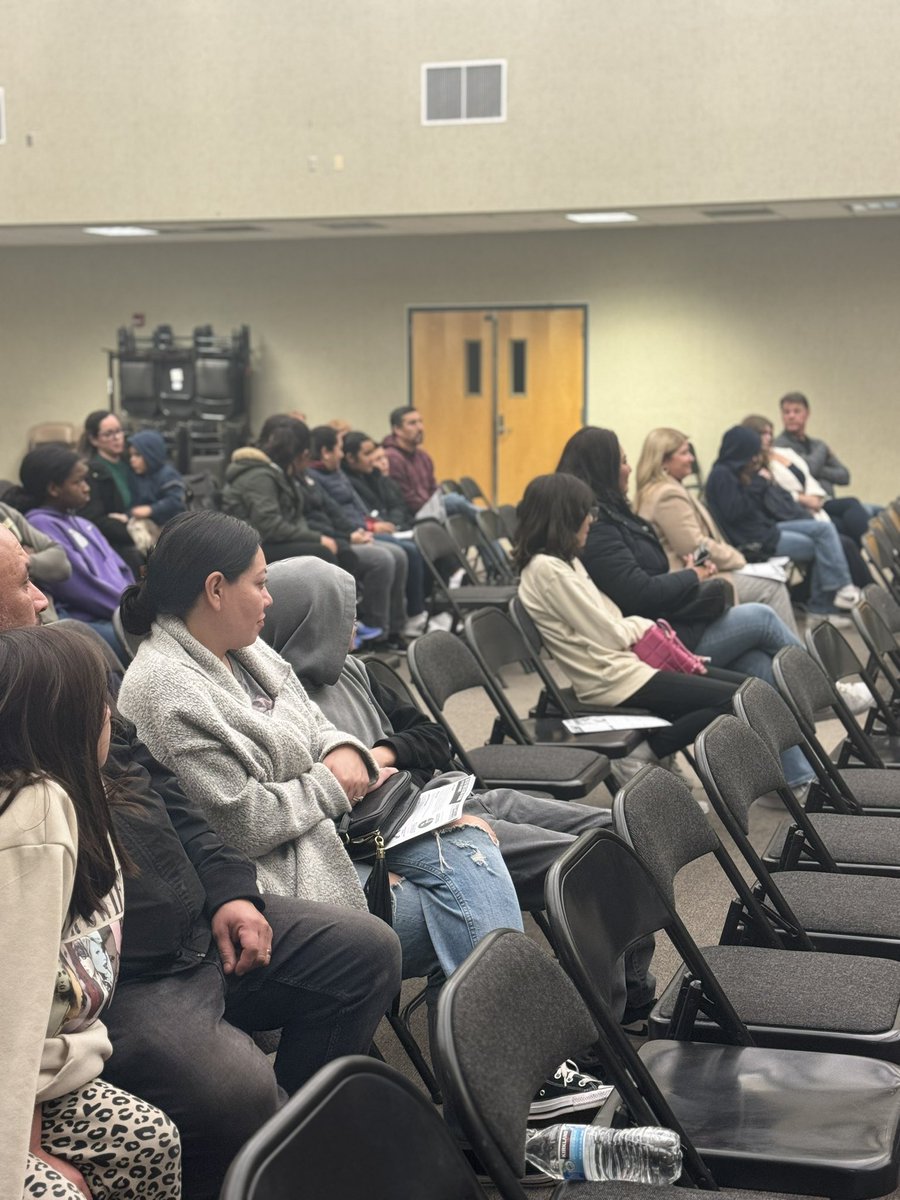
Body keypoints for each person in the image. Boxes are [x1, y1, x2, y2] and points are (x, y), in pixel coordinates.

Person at [0, 524, 401, 1200]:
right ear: (214, 589)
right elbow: (19, 986)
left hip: (195, 923)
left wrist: (229, 891)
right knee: (235, 1092)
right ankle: (265, 1159)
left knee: (365, 952)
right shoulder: (48, 697)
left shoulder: (68, 666)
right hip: (121, 978)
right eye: (23, 583)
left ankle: (295, 1157)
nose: (43, 598)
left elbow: (166, 793)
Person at [115, 511, 526, 1020]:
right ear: (216, 589)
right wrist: (334, 782)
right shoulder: (163, 690)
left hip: (330, 833)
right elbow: (244, 823)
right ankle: (503, 1040)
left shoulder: (242, 649)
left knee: (469, 847)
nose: (269, 599)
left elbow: (314, 723)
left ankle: (488, 1039)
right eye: (260, 584)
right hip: (280, 879)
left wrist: (345, 751)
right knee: (468, 894)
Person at [261, 553, 658, 1044]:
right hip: (408, 833)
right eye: (345, 617)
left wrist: (378, 756)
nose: (356, 628)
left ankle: (633, 995)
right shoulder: (277, 711)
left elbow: (433, 739)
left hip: (446, 796)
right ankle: (601, 1033)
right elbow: (318, 817)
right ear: (310, 622)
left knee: (619, 829)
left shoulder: (355, 673)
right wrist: (393, 782)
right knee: (596, 865)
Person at [0, 622, 182, 1199]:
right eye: (99, 700)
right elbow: (14, 1015)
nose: (111, 713)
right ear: (62, 721)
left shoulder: (88, 793)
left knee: (151, 1141)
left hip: (58, 1073)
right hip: (15, 1094)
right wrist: (26, 1153)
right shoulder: (36, 813)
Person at [556, 427, 814, 788]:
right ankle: (820, 690)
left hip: (667, 624)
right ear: (603, 467)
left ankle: (798, 778)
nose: (629, 468)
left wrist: (687, 577)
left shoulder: (616, 514)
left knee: (757, 665)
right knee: (761, 616)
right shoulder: (599, 528)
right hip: (654, 641)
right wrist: (692, 576)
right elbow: (638, 594)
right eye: (622, 461)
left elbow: (647, 580)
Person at [634, 427, 799, 635]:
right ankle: (797, 654)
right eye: (684, 453)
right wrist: (737, 558)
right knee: (773, 587)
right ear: (663, 461)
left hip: (694, 573)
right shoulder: (667, 494)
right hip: (689, 580)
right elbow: (693, 546)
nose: (692, 458)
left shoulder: (661, 489)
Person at [704, 426, 861, 620]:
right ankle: (821, 607)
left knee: (825, 530)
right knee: (821, 546)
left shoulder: (735, 472)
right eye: (752, 453)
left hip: (767, 528)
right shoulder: (722, 475)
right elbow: (735, 511)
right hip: (758, 539)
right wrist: (759, 483)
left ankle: (842, 589)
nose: (755, 459)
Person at [312, 426, 427, 638]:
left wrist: (367, 526)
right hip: (341, 535)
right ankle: (379, 629)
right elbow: (330, 514)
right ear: (325, 452)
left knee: (402, 553)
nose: (341, 454)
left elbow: (354, 507)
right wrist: (355, 533)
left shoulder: (337, 473)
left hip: (355, 530)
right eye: (338, 449)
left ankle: (397, 627)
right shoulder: (313, 477)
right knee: (385, 557)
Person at [16, 445, 133, 653]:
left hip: (121, 609)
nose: (87, 487)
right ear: (54, 489)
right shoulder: (40, 524)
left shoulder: (84, 523)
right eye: (78, 482)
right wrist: (129, 608)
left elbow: (122, 568)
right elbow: (80, 587)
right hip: (91, 620)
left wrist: (137, 600)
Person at [741, 414, 870, 589]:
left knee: (856, 511)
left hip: (813, 503)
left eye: (770, 433)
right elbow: (777, 499)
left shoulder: (784, 452)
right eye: (763, 434)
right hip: (790, 514)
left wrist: (815, 496)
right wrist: (803, 498)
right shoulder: (755, 467)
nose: (768, 438)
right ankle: (857, 589)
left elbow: (828, 475)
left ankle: (871, 557)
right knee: (842, 540)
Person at [221, 415, 344, 564]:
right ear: (303, 454)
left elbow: (293, 517)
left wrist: (315, 537)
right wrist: (316, 538)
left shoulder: (279, 472)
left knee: (342, 550)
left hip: (267, 541)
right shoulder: (260, 476)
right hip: (251, 547)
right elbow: (269, 526)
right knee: (323, 553)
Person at [775, 392, 880, 540]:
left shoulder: (815, 444)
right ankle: (874, 549)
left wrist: (817, 469)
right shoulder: (781, 447)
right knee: (851, 506)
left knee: (879, 512)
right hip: (810, 505)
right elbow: (809, 468)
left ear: (807, 414)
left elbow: (844, 476)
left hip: (829, 501)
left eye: (796, 411)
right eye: (786, 412)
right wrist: (823, 452)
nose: (791, 416)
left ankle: (879, 550)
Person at [79, 410, 143, 574]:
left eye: (119, 431)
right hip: (119, 543)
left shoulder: (132, 462)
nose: (117, 437)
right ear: (94, 439)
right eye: (108, 434)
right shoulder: (91, 472)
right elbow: (94, 520)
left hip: (139, 525)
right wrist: (130, 528)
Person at [0, 498, 71, 619]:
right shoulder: (40, 520)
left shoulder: (4, 512)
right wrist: (20, 563)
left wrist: (24, 561)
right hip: (20, 623)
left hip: (50, 615)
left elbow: (62, 563)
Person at [127, 429, 188, 528]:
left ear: (151, 455)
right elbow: (135, 506)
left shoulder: (168, 475)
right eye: (131, 455)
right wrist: (127, 516)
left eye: (137, 455)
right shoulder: (136, 477)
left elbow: (175, 500)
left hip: (172, 526)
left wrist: (151, 509)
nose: (132, 460)